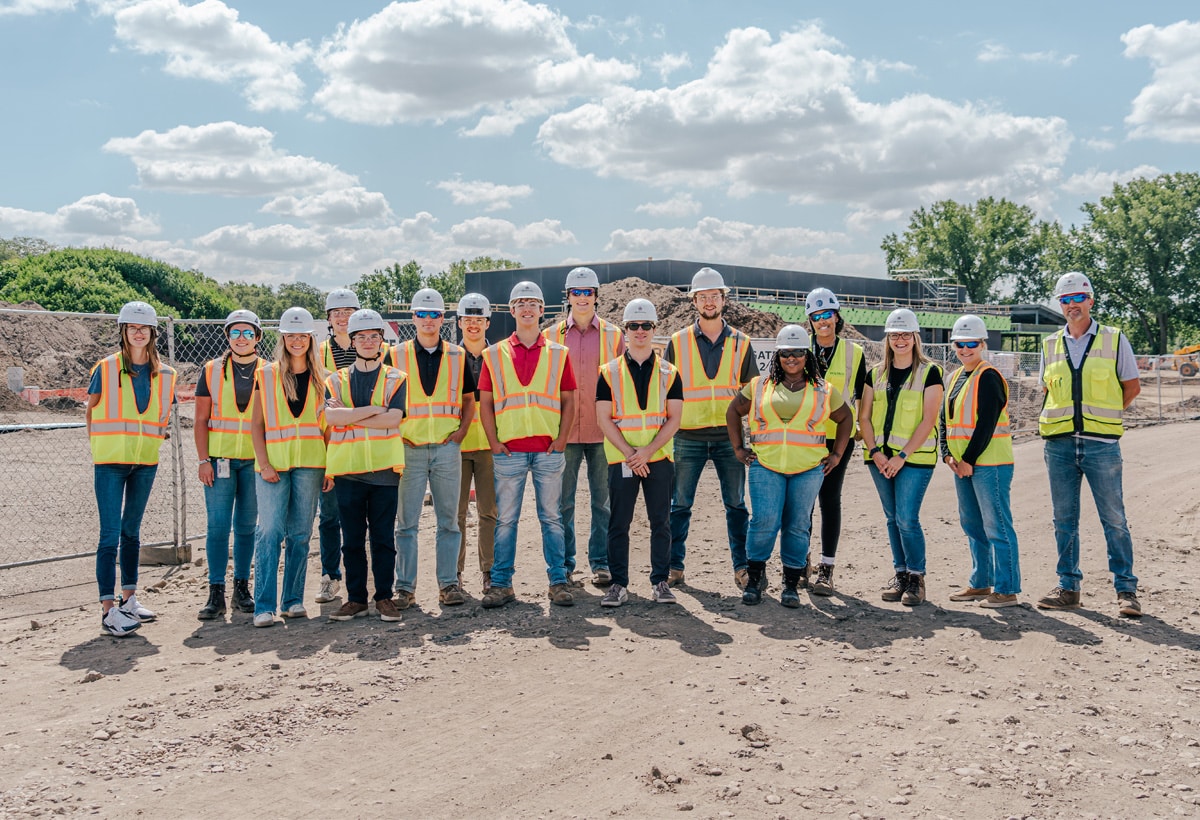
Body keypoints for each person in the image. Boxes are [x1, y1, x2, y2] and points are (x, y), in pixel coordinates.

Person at [1036, 272, 1142, 618]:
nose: (1071, 306)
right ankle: (1069, 588)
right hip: (1060, 445)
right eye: (1065, 300)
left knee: (1114, 518)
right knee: (1064, 519)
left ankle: (1126, 589)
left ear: (1091, 301)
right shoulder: (1050, 344)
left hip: (1101, 445)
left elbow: (1131, 387)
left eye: (1077, 298)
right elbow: (1047, 391)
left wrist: (1106, 417)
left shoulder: (1114, 339)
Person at [727, 326, 853, 607]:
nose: (792, 357)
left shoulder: (823, 389)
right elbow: (733, 411)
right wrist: (738, 448)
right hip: (766, 465)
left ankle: (791, 584)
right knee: (764, 522)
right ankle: (756, 579)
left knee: (797, 526)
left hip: (808, 469)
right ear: (778, 355)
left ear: (807, 355)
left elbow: (846, 419)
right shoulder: (759, 385)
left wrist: (837, 454)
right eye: (786, 353)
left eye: (798, 352)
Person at [478, 281, 577, 608]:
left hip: (548, 450)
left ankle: (558, 581)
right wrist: (493, 442)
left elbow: (569, 399)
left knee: (551, 517)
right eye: (520, 303)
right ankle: (502, 583)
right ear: (512, 310)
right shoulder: (492, 355)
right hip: (509, 451)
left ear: (541, 310)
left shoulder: (559, 353)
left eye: (533, 302)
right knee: (506, 519)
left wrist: (562, 440)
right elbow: (486, 403)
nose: (527, 308)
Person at [88, 301, 177, 637]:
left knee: (132, 533)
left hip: (144, 462)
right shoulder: (106, 368)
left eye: (144, 328)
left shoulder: (167, 374)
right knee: (109, 535)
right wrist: (99, 449)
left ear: (153, 333)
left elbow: (159, 417)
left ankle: (129, 598)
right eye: (132, 328)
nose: (138, 333)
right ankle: (109, 610)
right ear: (123, 332)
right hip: (110, 462)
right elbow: (92, 412)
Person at [666, 266, 758, 590]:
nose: (708, 302)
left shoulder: (742, 343)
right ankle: (673, 567)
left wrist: (753, 438)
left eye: (714, 296)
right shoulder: (677, 342)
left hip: (728, 438)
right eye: (702, 296)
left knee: (736, 505)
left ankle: (742, 568)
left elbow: (753, 394)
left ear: (723, 299)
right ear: (694, 300)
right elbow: (667, 392)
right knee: (679, 505)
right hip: (687, 436)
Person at [595, 299, 683, 606]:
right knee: (619, 522)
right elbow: (603, 418)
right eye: (634, 326)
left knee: (661, 521)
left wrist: (646, 452)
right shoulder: (607, 372)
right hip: (623, 458)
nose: (640, 331)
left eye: (646, 325)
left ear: (655, 329)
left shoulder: (670, 373)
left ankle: (660, 581)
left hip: (657, 458)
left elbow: (674, 418)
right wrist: (632, 453)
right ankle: (618, 584)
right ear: (625, 330)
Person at [391, 288, 476, 608]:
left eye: (435, 314)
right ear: (413, 317)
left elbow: (469, 400)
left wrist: (460, 433)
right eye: (422, 314)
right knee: (406, 524)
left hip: (445, 449)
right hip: (408, 449)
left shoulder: (457, 355)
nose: (428, 320)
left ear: (443, 318)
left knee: (449, 522)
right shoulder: (394, 356)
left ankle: (448, 584)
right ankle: (404, 588)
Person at [543, 266, 625, 588]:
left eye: (587, 292)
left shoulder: (614, 336)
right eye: (576, 293)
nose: (581, 298)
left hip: (603, 432)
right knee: (563, 503)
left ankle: (601, 562)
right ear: (567, 297)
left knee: (602, 501)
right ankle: (564, 564)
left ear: (596, 296)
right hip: (564, 433)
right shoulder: (550, 336)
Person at [324, 309, 407, 623]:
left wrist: (353, 413)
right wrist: (374, 409)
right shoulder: (336, 379)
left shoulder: (396, 378)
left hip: (385, 470)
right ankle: (356, 598)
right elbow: (332, 417)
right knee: (352, 541)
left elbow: (394, 418)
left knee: (384, 539)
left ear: (382, 340)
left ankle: (384, 597)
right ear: (353, 340)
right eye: (362, 337)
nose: (368, 342)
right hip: (349, 471)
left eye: (374, 336)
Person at [858, 308, 944, 607]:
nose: (900, 340)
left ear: (915, 337)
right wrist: (876, 453)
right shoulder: (875, 373)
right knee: (892, 519)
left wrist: (902, 456)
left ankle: (917, 578)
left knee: (907, 518)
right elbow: (865, 417)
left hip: (915, 460)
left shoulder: (930, 372)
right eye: (895, 335)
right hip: (879, 459)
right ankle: (901, 575)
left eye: (906, 334)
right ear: (888, 338)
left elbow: (929, 419)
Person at [250, 307, 329, 628]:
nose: (297, 341)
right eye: (291, 336)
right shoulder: (265, 375)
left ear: (311, 340)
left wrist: (331, 469)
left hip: (311, 466)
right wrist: (264, 462)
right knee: (269, 531)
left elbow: (328, 429)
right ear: (283, 339)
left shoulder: (324, 379)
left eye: (303, 336)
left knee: (299, 534)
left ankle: (293, 600)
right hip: (273, 468)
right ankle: (264, 606)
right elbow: (256, 425)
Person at [940, 315, 1021, 608]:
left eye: (971, 343)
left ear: (983, 344)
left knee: (997, 526)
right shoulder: (953, 377)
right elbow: (944, 419)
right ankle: (981, 582)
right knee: (973, 525)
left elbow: (986, 423)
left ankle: (1007, 589)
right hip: (962, 464)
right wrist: (947, 454)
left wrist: (968, 460)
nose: (965, 349)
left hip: (990, 464)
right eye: (960, 344)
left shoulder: (989, 376)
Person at [194, 309, 262, 620]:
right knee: (218, 527)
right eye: (235, 333)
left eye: (248, 333)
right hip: (219, 462)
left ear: (258, 337)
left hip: (254, 462)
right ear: (227, 337)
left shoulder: (269, 371)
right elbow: (200, 419)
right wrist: (203, 460)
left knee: (247, 528)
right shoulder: (210, 371)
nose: (242, 338)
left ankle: (241, 589)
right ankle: (215, 592)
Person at [805, 288, 866, 595]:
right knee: (802, 504)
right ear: (810, 321)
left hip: (838, 440)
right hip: (803, 438)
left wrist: (861, 435)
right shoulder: (800, 349)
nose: (823, 322)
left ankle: (826, 569)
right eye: (816, 317)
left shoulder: (854, 353)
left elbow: (863, 400)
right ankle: (802, 562)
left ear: (837, 316)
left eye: (827, 315)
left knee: (829, 501)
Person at [314, 288, 359, 605]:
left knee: (366, 516)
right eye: (337, 313)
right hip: (331, 444)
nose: (342, 318)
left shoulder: (374, 346)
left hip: (367, 443)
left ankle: (365, 577)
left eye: (348, 312)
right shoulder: (317, 352)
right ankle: (330, 576)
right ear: (329, 319)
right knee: (329, 516)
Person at [455, 292, 497, 593]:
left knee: (489, 511)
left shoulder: (498, 357)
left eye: (478, 320)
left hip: (489, 445)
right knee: (455, 514)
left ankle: (489, 571)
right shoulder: (449, 357)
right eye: (468, 320)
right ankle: (453, 574)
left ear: (487, 323)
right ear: (459, 323)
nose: (473, 325)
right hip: (455, 445)